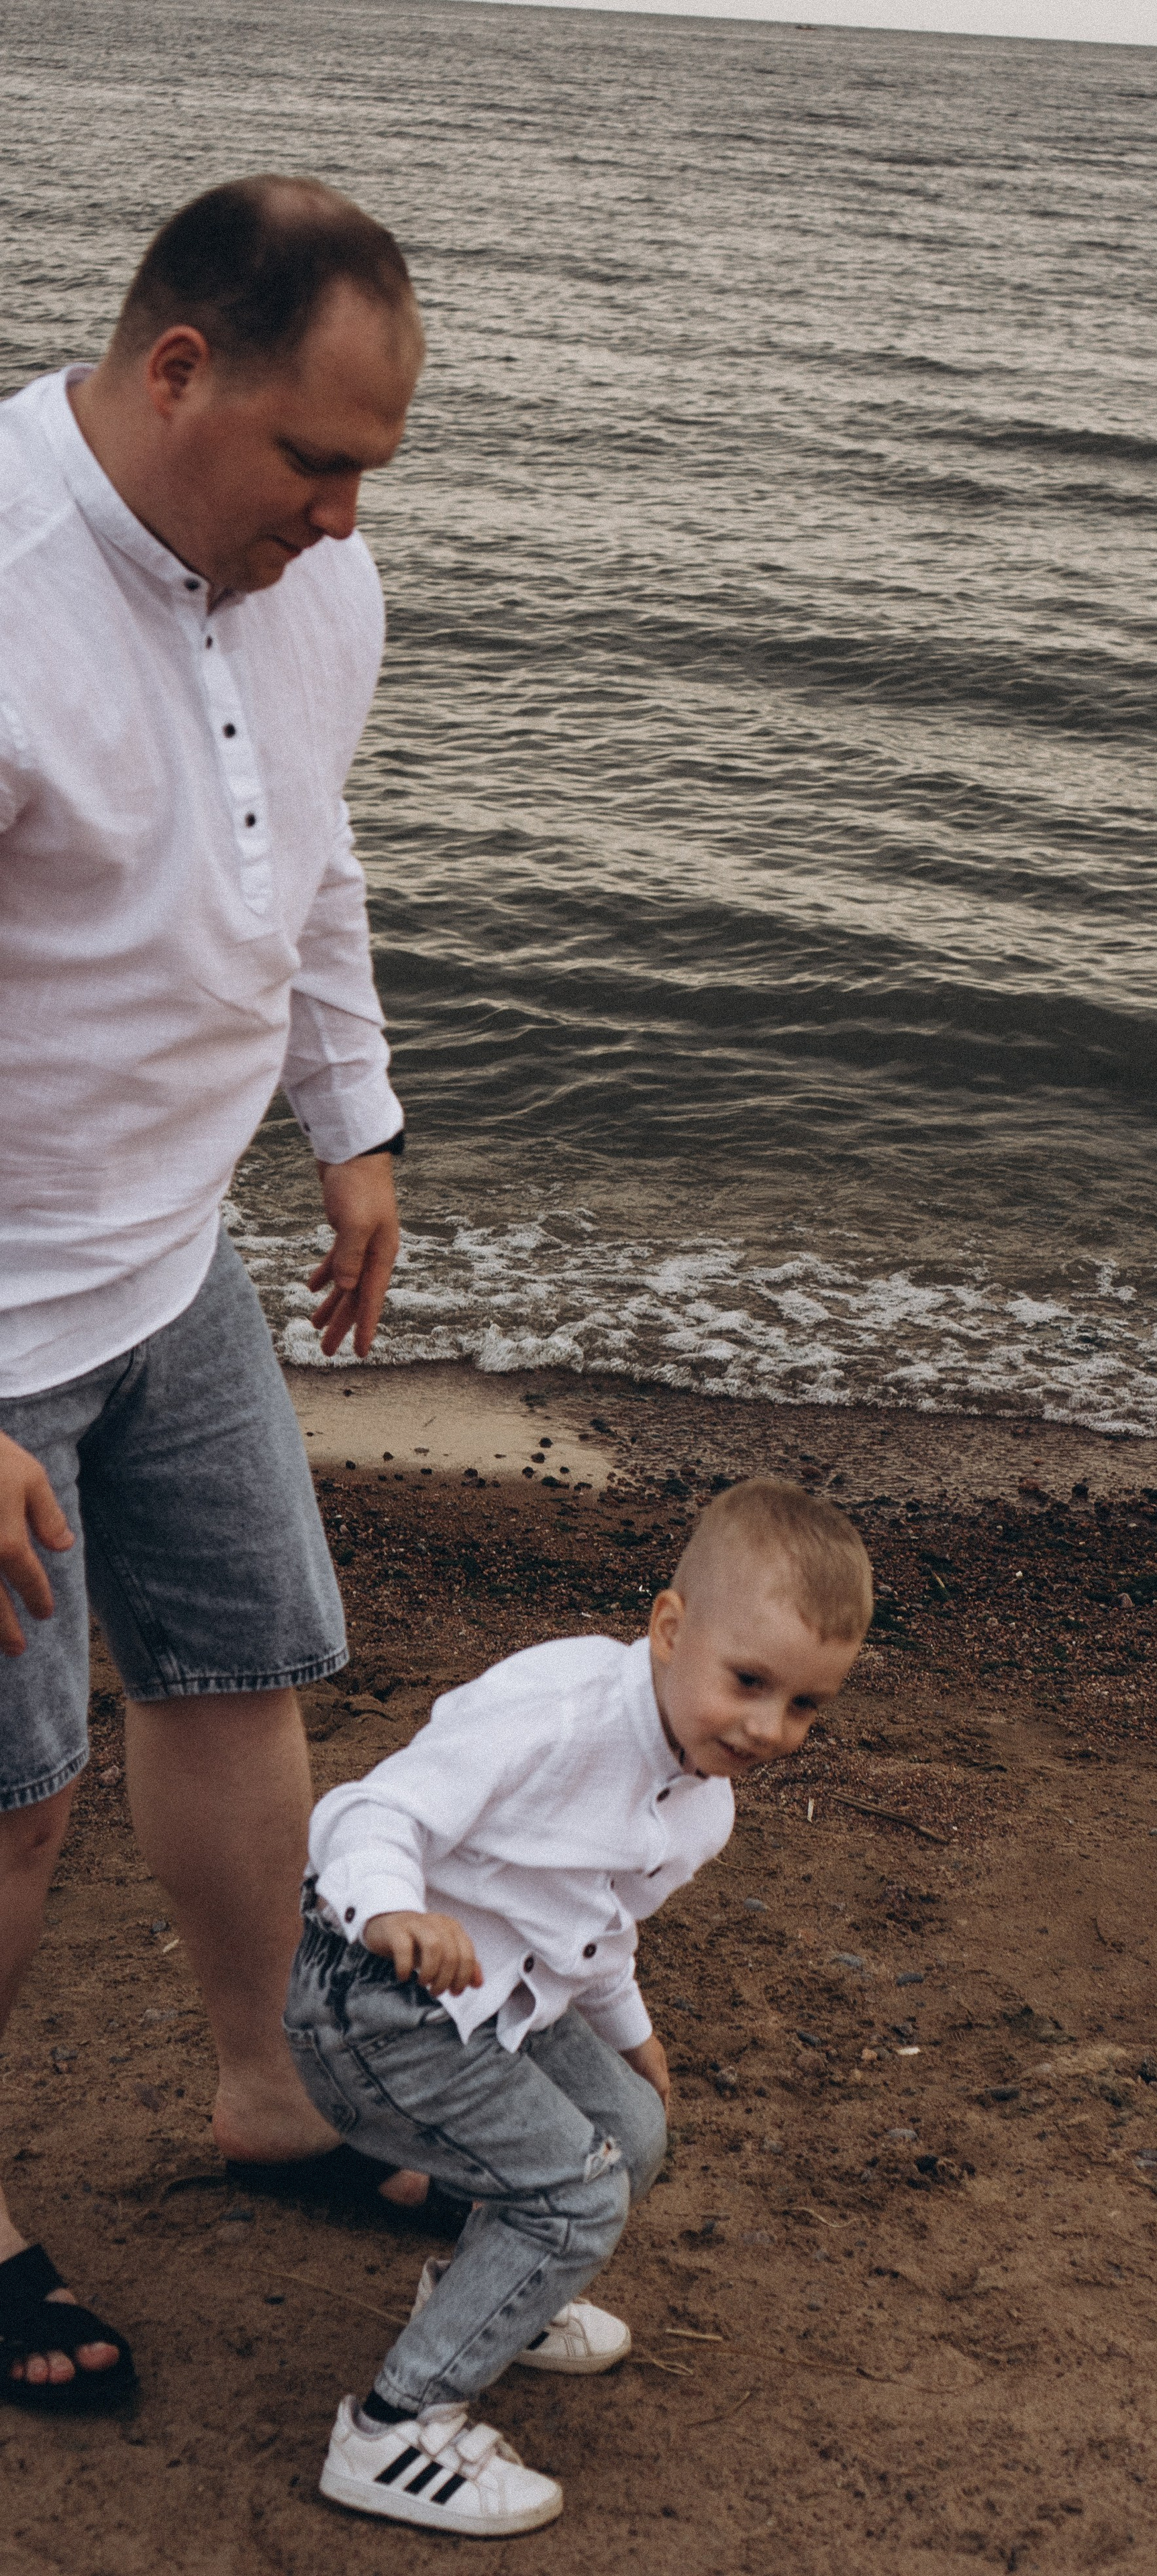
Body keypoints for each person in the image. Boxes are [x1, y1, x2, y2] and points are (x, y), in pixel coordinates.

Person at [0, 176, 435, 2412]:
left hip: (169, 1264)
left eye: (372, 470)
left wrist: (350, 1117)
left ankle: (267, 2093)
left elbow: (314, 851)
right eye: (316, 461)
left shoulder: (312, 581)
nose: (345, 519)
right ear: (178, 372)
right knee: (12, 1791)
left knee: (248, 1669)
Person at [289, 1479, 872, 2536]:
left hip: (503, 2002)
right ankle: (391, 2429)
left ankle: (487, 2294)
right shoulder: (556, 1710)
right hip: (378, 2000)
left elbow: (593, 1925)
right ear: (670, 1629)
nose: (768, 1728)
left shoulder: (702, 1805)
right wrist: (391, 1911)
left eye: (804, 1705)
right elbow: (373, 1811)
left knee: (632, 2129)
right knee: (577, 2195)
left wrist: (632, 2034)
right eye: (749, 1681)